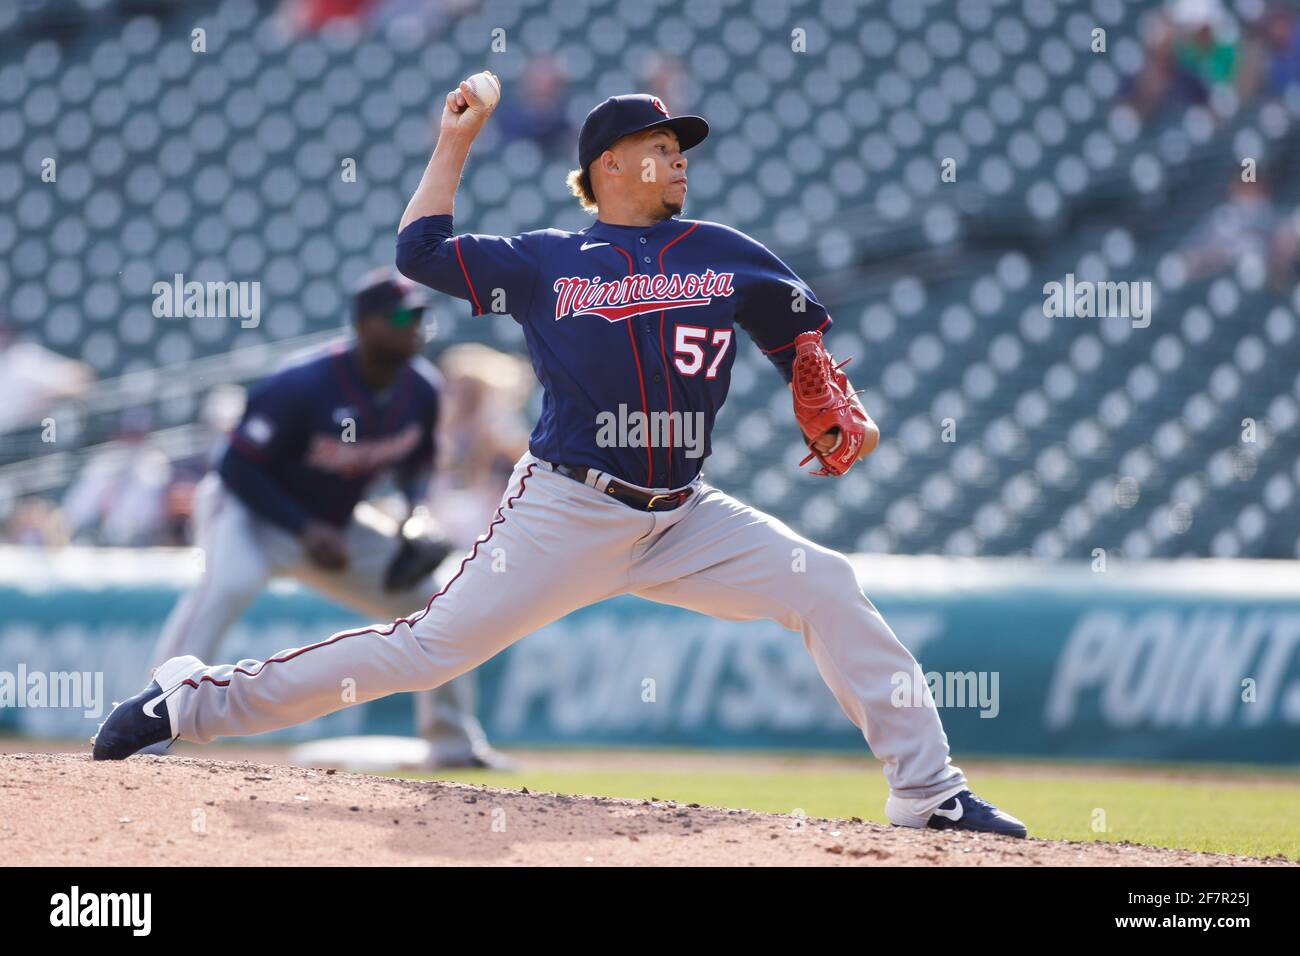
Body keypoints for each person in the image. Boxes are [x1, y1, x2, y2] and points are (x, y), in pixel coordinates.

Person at [94, 78, 1027, 838]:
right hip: (567, 509)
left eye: (682, 150)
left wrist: (811, 380)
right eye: (660, 149)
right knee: (423, 652)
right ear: (608, 167)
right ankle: (193, 701)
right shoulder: (547, 263)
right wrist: (456, 139)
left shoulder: (722, 250)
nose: (678, 163)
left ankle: (927, 791)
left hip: (683, 513)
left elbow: (798, 335)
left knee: (825, 584)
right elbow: (420, 252)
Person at [137, 267, 508, 769]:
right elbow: (238, 466)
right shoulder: (302, 383)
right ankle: (151, 720)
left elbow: (417, 466)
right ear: (366, 325)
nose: (416, 326)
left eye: (421, 316)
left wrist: (414, 514)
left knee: (432, 596)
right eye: (402, 316)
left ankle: (453, 743)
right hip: (250, 515)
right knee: (227, 586)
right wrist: (302, 526)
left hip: (334, 526)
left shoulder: (420, 390)